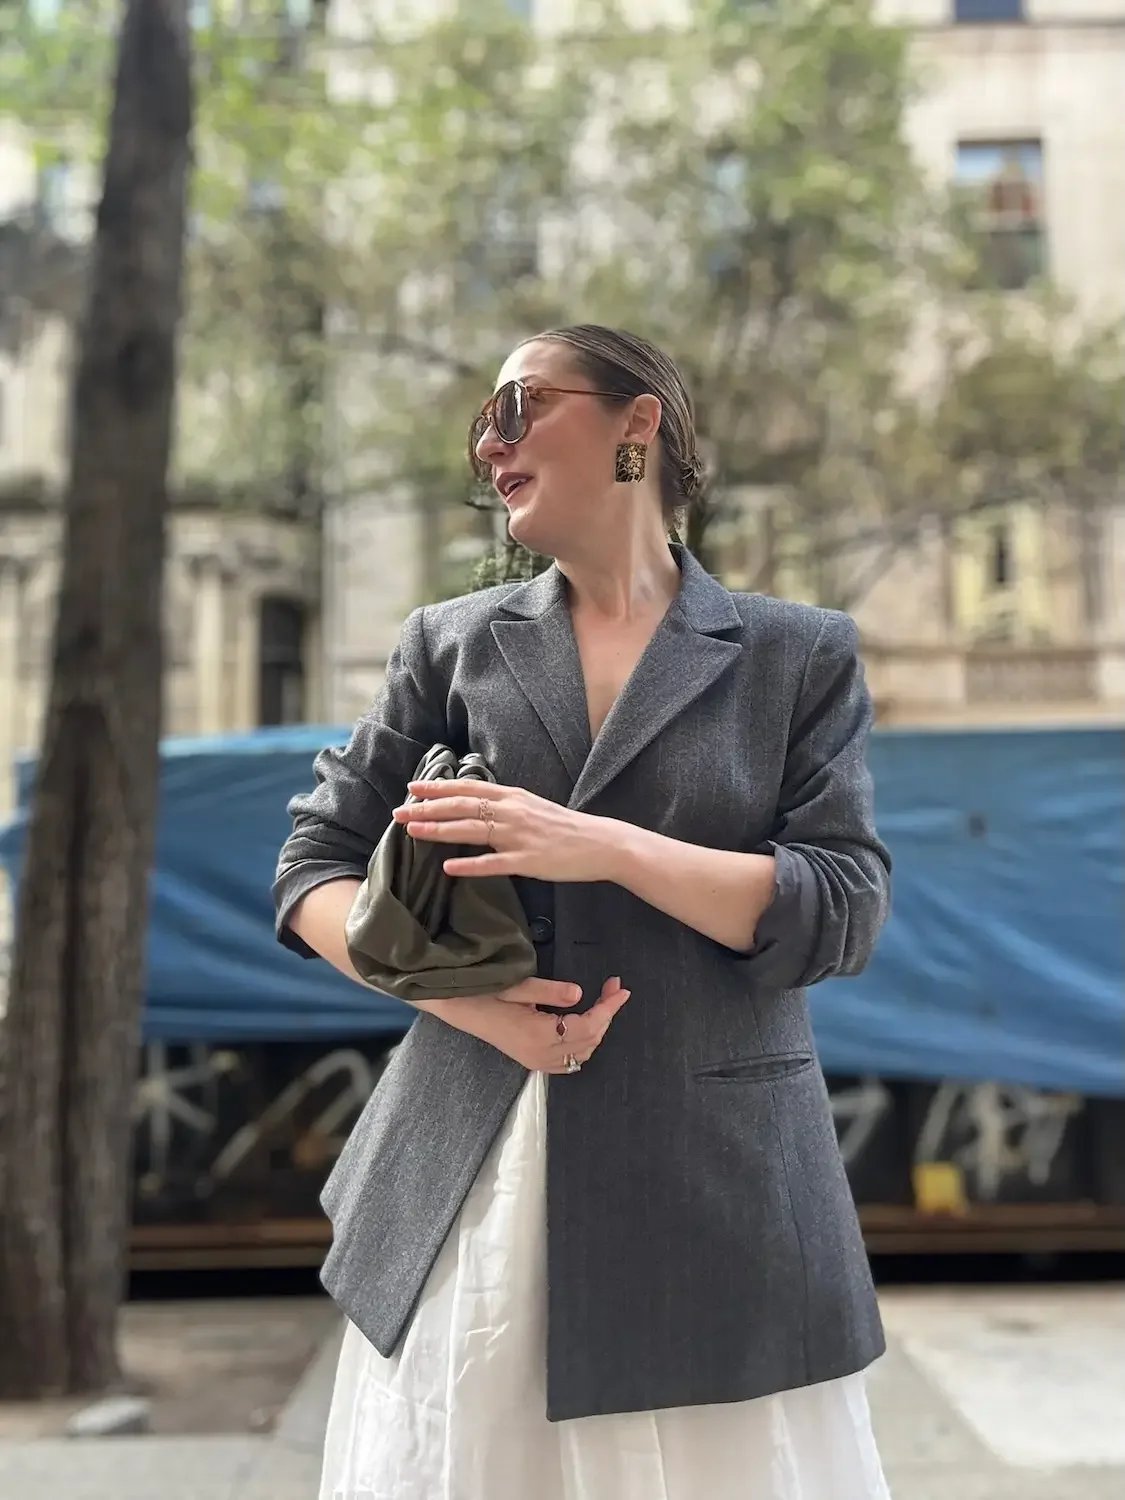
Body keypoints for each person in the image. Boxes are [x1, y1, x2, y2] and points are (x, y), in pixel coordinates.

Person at [274, 324, 894, 1500]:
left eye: (517, 406)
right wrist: (468, 1003)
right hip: (470, 1178)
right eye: (480, 429)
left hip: (719, 1194)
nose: (488, 445)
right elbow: (312, 870)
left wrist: (596, 844)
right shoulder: (448, 646)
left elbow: (844, 908)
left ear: (636, 423)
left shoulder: (795, 655)